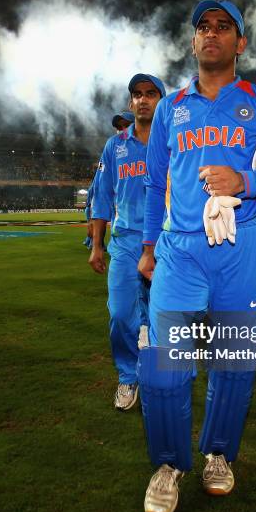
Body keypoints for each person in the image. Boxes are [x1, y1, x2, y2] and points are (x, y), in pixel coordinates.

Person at [137, 0, 256, 512]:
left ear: (241, 42)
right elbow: (154, 181)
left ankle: (218, 455)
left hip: (242, 249)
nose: (212, 34)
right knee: (166, 369)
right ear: (193, 42)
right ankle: (168, 465)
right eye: (203, 28)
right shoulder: (172, 107)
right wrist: (146, 247)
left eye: (223, 27)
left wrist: (247, 182)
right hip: (181, 252)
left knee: (234, 364)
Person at [89, 74, 166, 410]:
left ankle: (157, 376)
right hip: (124, 242)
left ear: (162, 100)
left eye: (151, 93)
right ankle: (127, 377)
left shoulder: (174, 142)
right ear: (131, 101)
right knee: (121, 314)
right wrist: (96, 244)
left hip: (165, 243)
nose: (143, 100)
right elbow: (102, 198)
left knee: (163, 317)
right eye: (137, 94)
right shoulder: (115, 145)